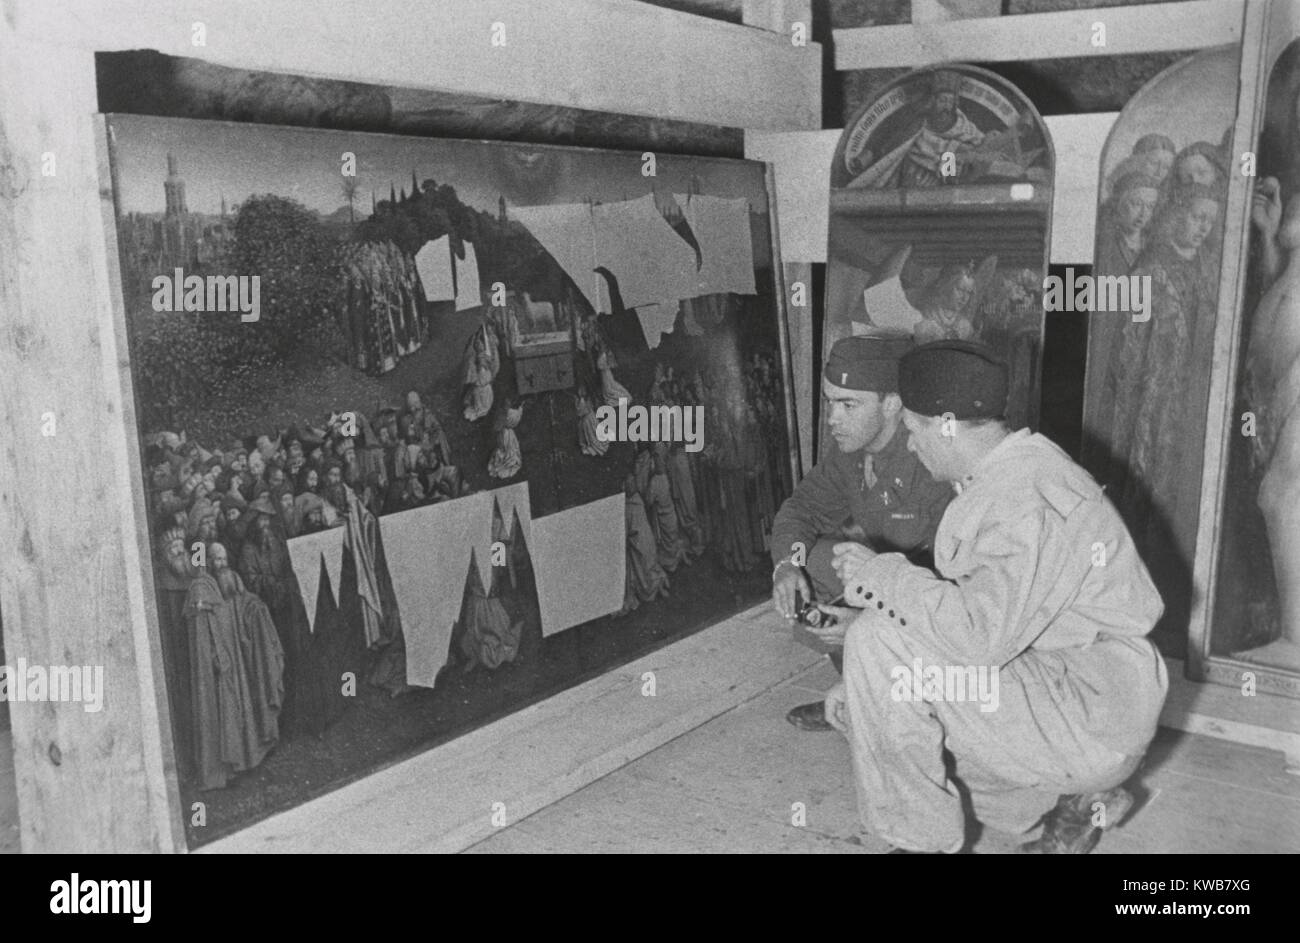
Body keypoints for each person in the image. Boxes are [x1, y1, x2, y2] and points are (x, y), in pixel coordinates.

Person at [821, 340, 1168, 853]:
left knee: (878, 649)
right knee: (872, 689)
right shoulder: (1008, 473)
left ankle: (920, 843)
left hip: (1088, 708)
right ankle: (1071, 803)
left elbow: (977, 636)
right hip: (1061, 687)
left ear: (944, 424)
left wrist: (882, 578)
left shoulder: (1027, 497)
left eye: (914, 429)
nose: (911, 446)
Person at [771, 334, 952, 732]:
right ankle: (859, 690)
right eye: (830, 401)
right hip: (894, 598)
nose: (833, 418)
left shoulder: (933, 463)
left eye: (848, 404)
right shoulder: (852, 451)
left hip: (937, 617)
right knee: (815, 561)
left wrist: (865, 623)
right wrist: (787, 564)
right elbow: (800, 510)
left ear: (892, 404)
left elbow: (953, 600)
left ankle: (916, 708)